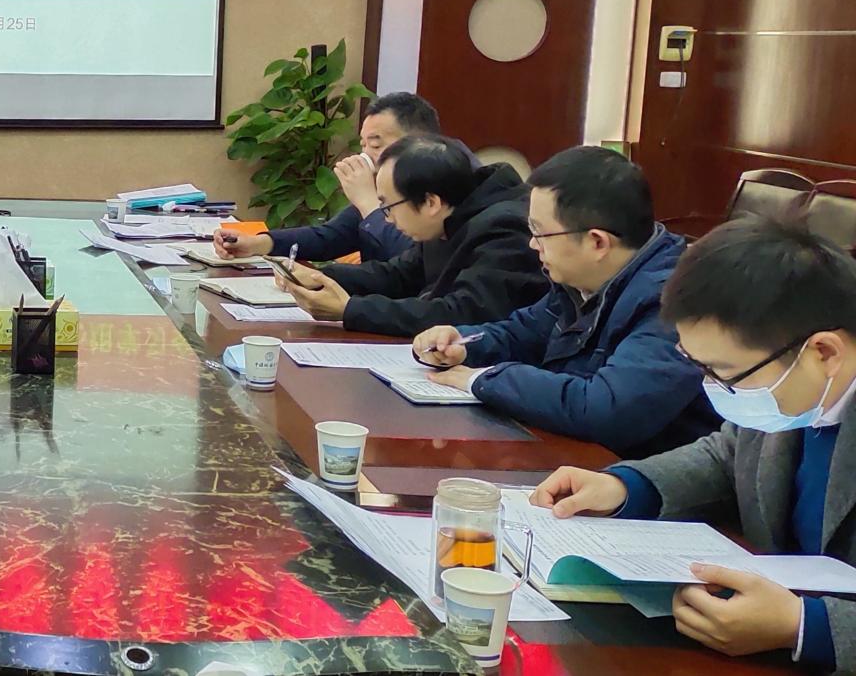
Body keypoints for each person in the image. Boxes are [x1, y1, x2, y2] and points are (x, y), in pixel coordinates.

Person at [533, 218, 856, 669]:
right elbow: (727, 456)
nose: (712, 388)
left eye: (724, 372)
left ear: (823, 352)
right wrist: (628, 487)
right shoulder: (794, 388)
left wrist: (805, 626)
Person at [411, 146, 715, 456]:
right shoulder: (582, 280)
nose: (532, 244)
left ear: (597, 242)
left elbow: (607, 409)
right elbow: (524, 332)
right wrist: (463, 344)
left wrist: (483, 379)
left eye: (540, 233)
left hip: (636, 472)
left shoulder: (675, 302)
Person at [277, 134, 547, 335]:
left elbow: (463, 314)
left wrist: (350, 310)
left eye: (388, 207)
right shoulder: (451, 213)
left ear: (430, 202)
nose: (387, 218)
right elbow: (400, 275)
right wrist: (320, 277)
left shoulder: (505, 229)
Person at [217, 92, 452, 264]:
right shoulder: (382, 191)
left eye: (375, 145)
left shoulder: (441, 192)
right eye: (363, 145)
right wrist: (259, 243)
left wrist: (368, 203)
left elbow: (414, 262)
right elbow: (329, 237)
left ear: (418, 143)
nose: (365, 155)